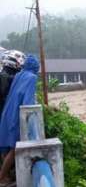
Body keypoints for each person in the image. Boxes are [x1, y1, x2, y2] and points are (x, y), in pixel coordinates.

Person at [0, 55, 39, 186]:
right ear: (35, 67)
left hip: (7, 112)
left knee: (5, 146)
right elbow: (28, 102)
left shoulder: (18, 75)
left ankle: (6, 177)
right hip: (17, 115)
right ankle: (1, 177)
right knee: (14, 148)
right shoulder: (32, 78)